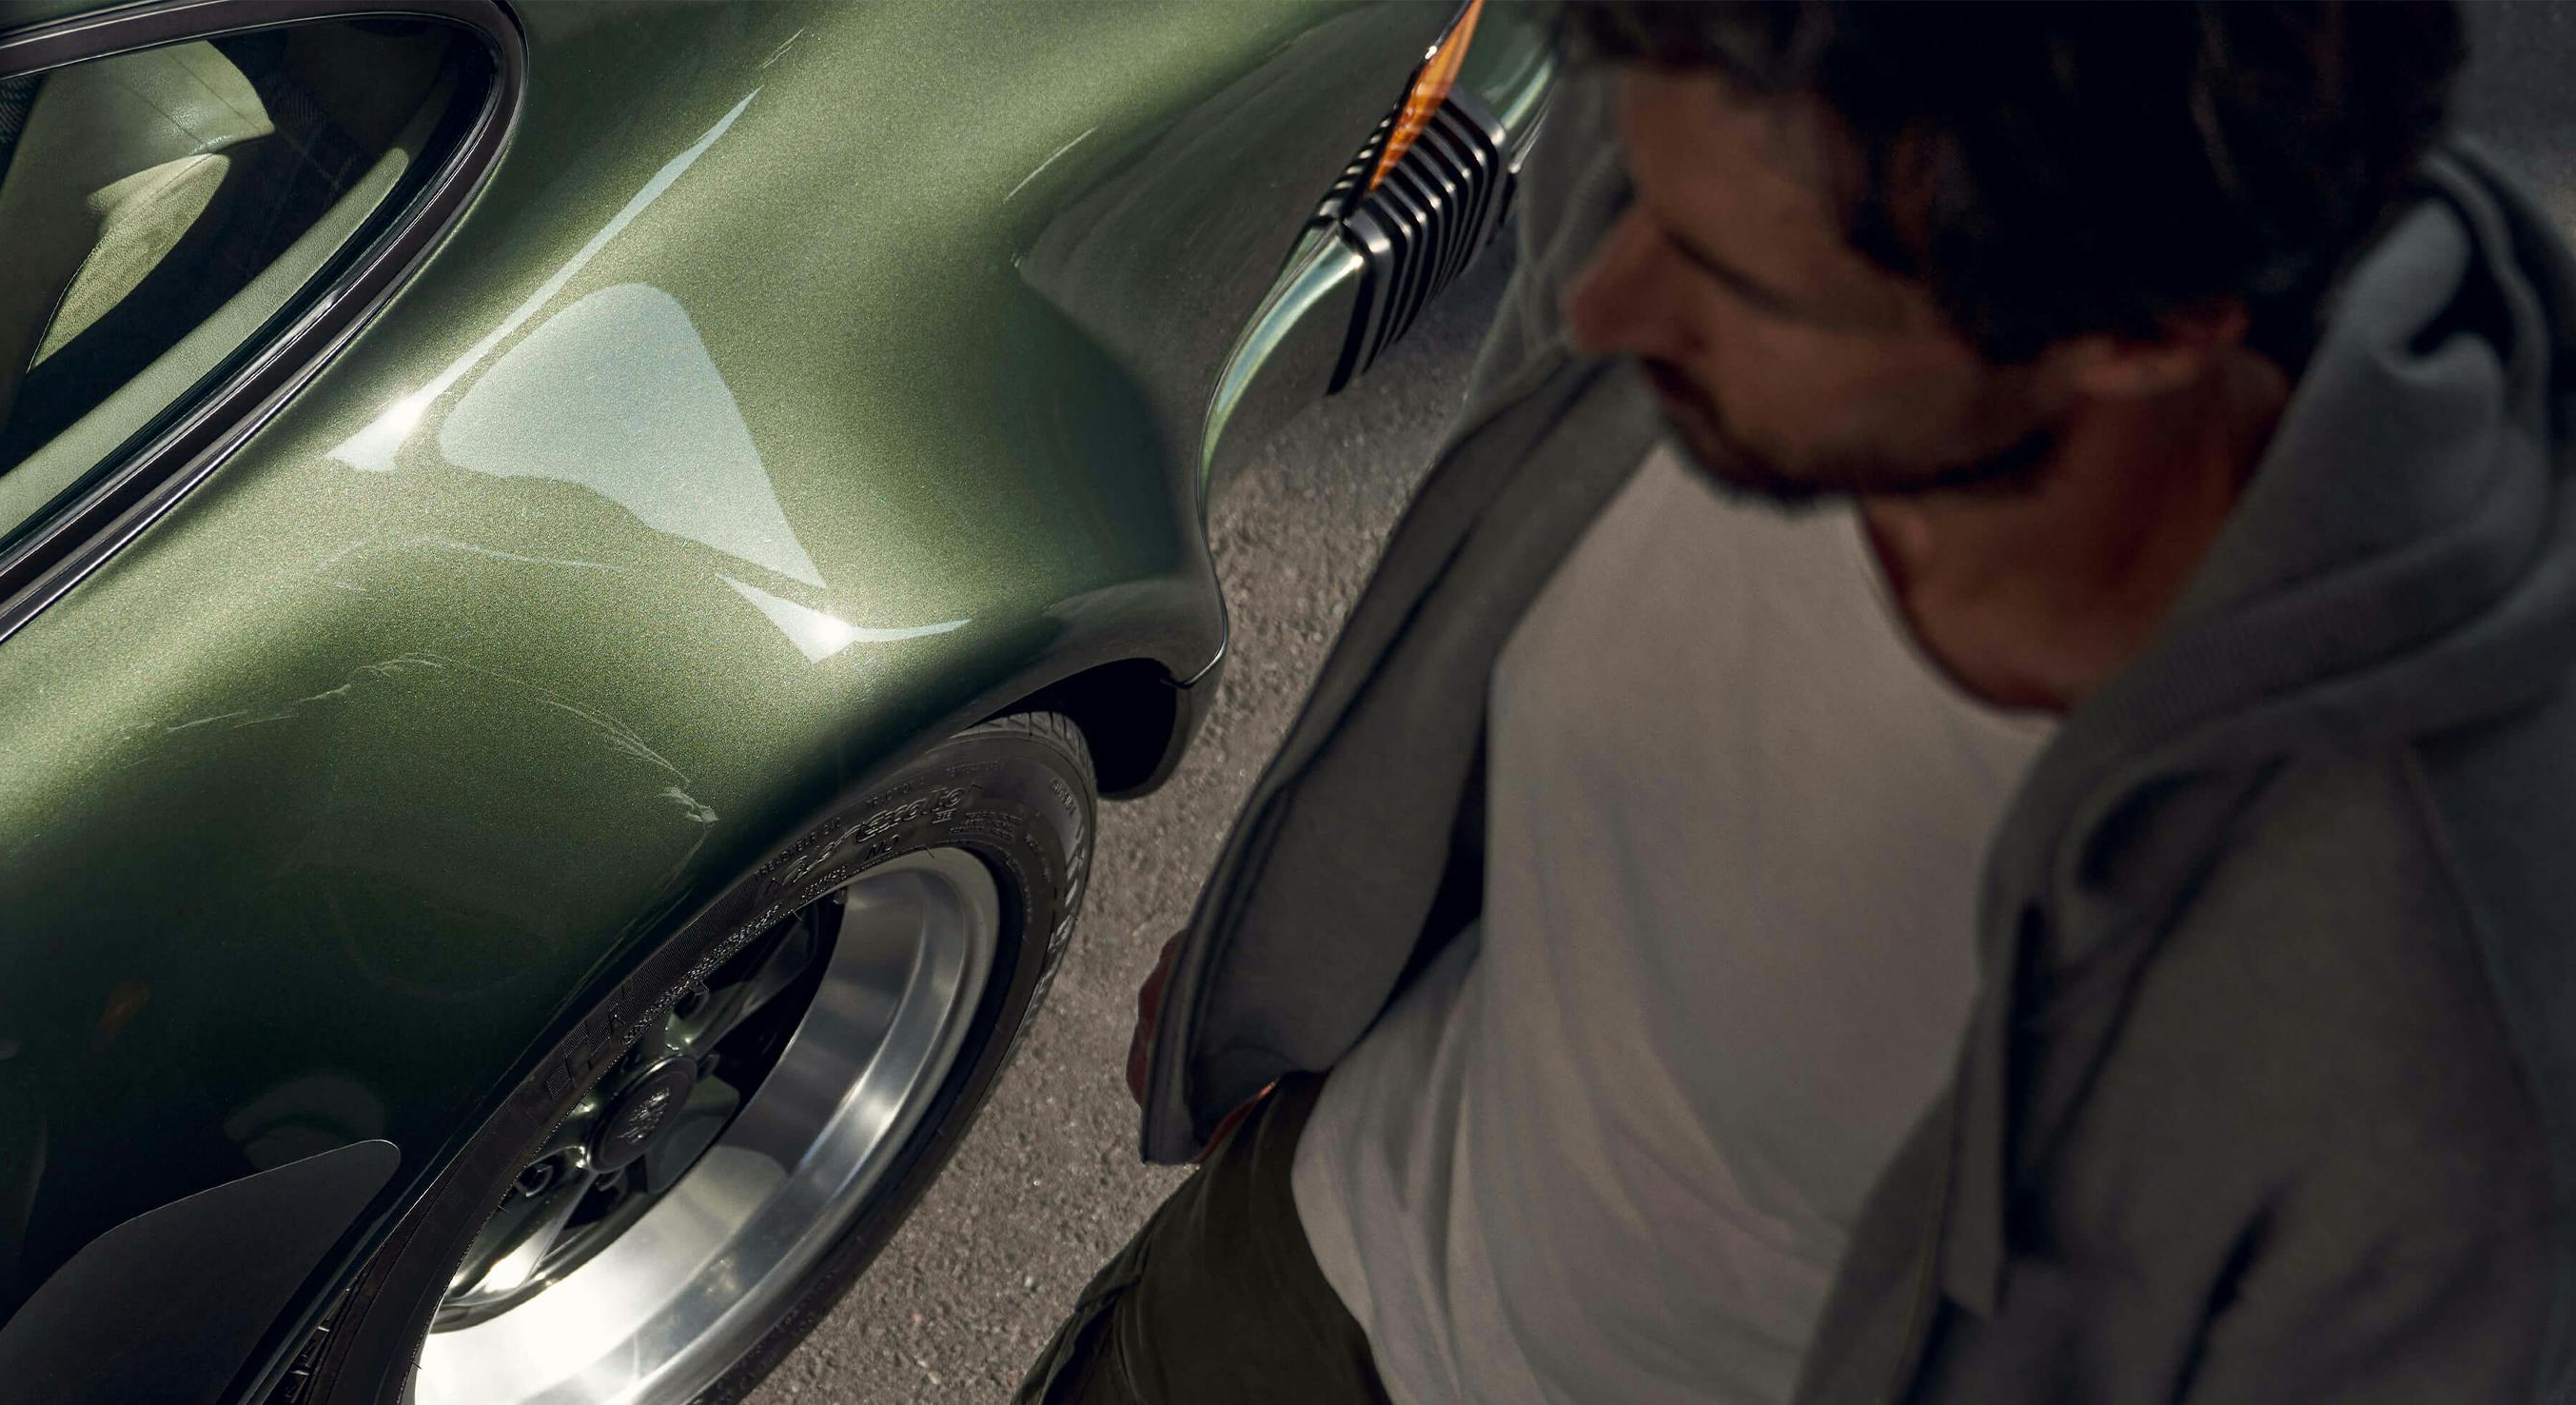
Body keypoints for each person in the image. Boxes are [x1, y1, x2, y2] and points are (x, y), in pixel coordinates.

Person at [1029, 1, 2576, 1400]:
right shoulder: (1740, 142)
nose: (1613, 304)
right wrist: (1298, 937)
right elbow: (1488, 584)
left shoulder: (2441, 1030)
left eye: (1728, 278)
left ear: (2139, 338)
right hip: (1282, 1281)